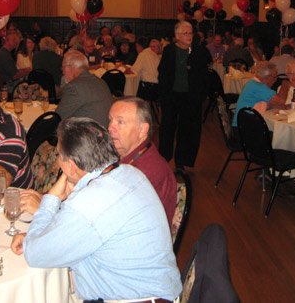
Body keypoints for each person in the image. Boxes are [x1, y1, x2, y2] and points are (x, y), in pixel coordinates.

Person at [12, 117, 182, 302]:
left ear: (71, 166)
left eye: (59, 155)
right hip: (157, 291)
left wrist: (51, 199)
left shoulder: (89, 202)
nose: (57, 161)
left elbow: (34, 254)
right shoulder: (129, 172)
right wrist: (44, 235)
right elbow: (80, 229)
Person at [108, 97, 177, 223]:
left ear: (142, 130)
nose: (110, 128)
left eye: (120, 122)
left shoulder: (145, 172)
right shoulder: (136, 153)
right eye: (110, 120)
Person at [158, 21, 211, 168]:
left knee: (188, 130)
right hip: (171, 96)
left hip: (191, 97)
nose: (189, 36)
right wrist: (163, 96)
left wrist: (201, 95)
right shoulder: (169, 51)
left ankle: (182, 162)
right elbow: (162, 74)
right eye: (185, 33)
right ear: (177, 36)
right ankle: (164, 159)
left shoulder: (199, 51)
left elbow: (204, 75)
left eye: (190, 33)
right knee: (167, 128)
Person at [56, 50, 113, 127]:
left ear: (70, 67)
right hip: (104, 129)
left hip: (89, 132)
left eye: (63, 67)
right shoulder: (100, 81)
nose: (62, 72)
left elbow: (58, 117)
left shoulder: (74, 87)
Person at [232, 61, 288, 126]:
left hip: (242, 124)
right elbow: (281, 101)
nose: (276, 80)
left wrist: (285, 106)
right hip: (245, 127)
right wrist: (285, 84)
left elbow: (274, 104)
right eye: (275, 77)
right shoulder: (259, 87)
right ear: (267, 77)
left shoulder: (252, 83)